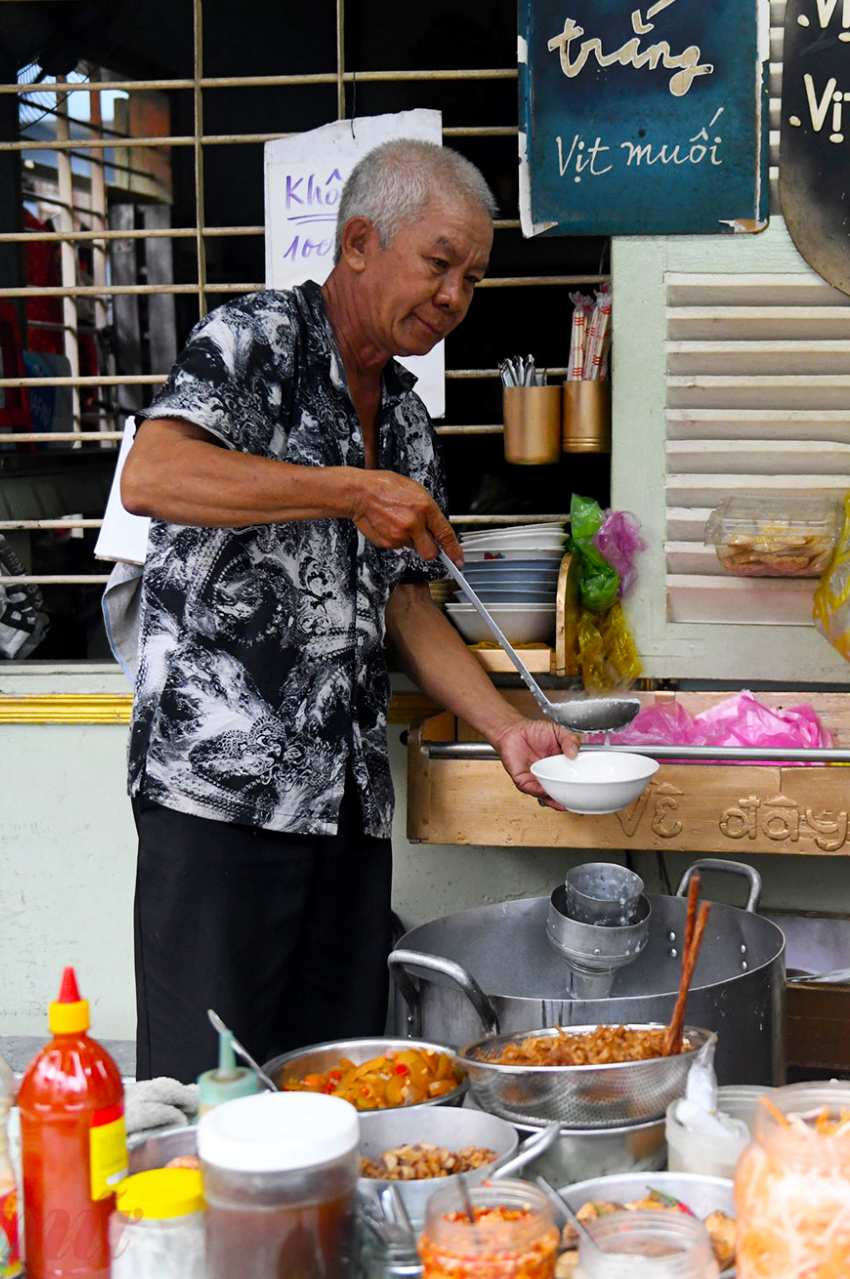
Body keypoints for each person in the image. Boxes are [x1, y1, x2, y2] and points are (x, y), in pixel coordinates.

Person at [118, 140, 578, 1081]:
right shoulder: (256, 342)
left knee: (339, 1082)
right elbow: (152, 474)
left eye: (473, 278)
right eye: (439, 263)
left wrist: (506, 726)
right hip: (223, 801)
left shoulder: (405, 416)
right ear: (361, 241)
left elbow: (405, 603)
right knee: (214, 1090)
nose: (455, 295)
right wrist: (345, 491)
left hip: (345, 808)